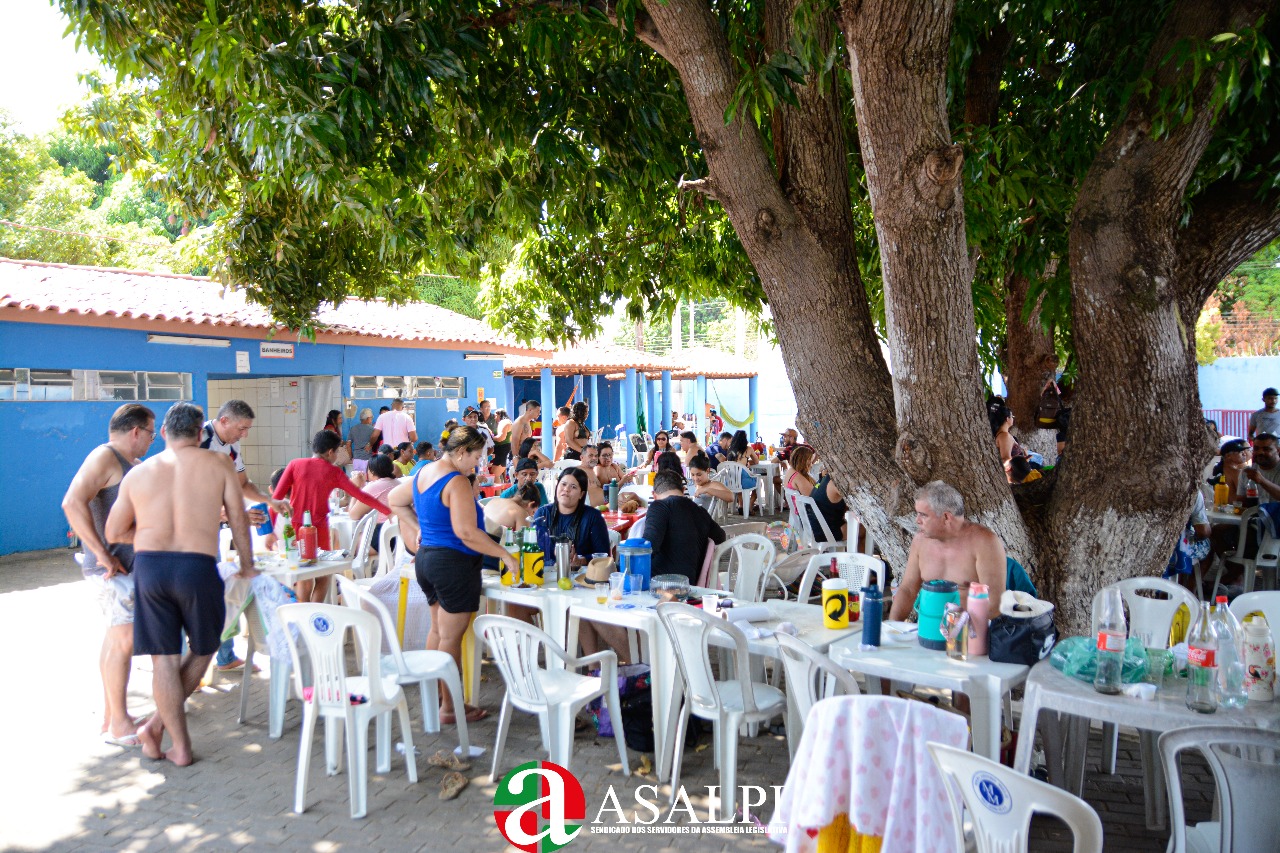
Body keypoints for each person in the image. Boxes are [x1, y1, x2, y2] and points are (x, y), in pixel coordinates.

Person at [104, 402, 256, 766]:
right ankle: (159, 731)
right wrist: (248, 565)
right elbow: (238, 518)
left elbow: (113, 531)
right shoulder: (218, 464)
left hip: (150, 569)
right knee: (204, 649)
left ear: (162, 433)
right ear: (200, 431)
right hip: (196, 567)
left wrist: (152, 534)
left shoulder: (138, 474)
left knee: (163, 660)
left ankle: (171, 739)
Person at [389, 425, 517, 724]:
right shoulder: (456, 481)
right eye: (476, 456)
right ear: (461, 452)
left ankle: (435, 695)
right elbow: (466, 533)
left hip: (427, 561)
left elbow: (396, 500)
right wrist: (504, 554)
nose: (478, 463)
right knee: (451, 638)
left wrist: (419, 528)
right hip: (453, 565)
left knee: (437, 631)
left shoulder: (424, 472)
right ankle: (450, 707)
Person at [62, 403, 156, 745]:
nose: (151, 440)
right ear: (135, 431)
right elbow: (72, 502)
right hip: (109, 571)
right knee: (124, 642)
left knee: (115, 641)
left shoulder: (130, 463)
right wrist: (101, 554)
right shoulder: (104, 457)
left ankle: (112, 717)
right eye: (149, 432)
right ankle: (119, 726)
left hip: (123, 568)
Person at [200, 400, 287, 672]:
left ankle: (224, 655)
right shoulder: (200, 441)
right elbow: (191, 496)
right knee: (199, 594)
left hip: (212, 528)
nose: (244, 434)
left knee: (219, 590)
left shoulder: (232, 445)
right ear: (224, 421)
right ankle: (184, 662)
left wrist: (270, 501)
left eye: (247, 429)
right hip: (193, 531)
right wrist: (232, 514)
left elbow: (243, 484)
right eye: (242, 428)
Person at [272, 430, 392, 602]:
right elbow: (361, 496)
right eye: (337, 451)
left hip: (297, 528)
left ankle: (302, 618)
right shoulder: (333, 471)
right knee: (324, 576)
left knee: (304, 578)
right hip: (319, 530)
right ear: (330, 452)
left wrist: (270, 530)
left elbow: (275, 499)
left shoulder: (295, 464)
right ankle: (315, 616)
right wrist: (387, 510)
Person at [888, 480, 1007, 621]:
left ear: (946, 517)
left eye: (923, 515)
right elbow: (908, 589)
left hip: (969, 630)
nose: (917, 521)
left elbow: (995, 603)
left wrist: (953, 629)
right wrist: (891, 627)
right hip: (928, 625)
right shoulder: (920, 541)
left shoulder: (984, 542)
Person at [644, 470, 728, 583]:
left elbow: (648, 547)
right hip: (691, 583)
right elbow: (721, 536)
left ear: (654, 495)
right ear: (683, 491)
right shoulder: (700, 512)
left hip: (661, 585)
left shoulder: (658, 507)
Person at [532, 467, 611, 569]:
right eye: (563, 484)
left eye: (573, 487)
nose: (566, 489)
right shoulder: (542, 514)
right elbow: (535, 550)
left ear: (581, 494)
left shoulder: (593, 517)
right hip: (546, 574)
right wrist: (555, 561)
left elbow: (603, 555)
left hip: (582, 576)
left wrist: (581, 560)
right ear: (557, 486)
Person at [348, 454, 399, 552]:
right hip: (397, 536)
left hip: (381, 536)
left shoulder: (374, 486)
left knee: (345, 540)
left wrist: (356, 489)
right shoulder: (397, 482)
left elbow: (353, 515)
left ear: (371, 471)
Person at [988, 400, 1027, 482]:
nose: (1013, 419)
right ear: (1007, 419)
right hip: (1013, 477)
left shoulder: (1002, 434)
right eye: (1012, 417)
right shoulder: (1004, 436)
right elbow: (1006, 459)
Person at [807, 471, 849, 543]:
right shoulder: (837, 483)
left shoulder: (821, 480)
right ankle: (859, 554)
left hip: (810, 527)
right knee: (862, 530)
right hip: (823, 532)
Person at [508, 400, 541, 467]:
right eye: (537, 411)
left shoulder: (527, 422)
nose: (539, 413)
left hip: (526, 457)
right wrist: (516, 459)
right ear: (530, 410)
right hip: (519, 457)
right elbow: (514, 442)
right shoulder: (519, 422)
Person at [348, 408, 377, 473]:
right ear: (368, 418)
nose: (371, 420)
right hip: (368, 459)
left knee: (357, 480)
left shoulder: (353, 429)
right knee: (367, 480)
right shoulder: (372, 429)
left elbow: (348, 445)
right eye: (371, 418)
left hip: (356, 459)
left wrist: (351, 457)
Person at [491, 407, 513, 473]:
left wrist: (489, 438)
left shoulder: (503, 422)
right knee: (496, 474)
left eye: (495, 416)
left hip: (502, 450)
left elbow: (501, 438)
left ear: (499, 414)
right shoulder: (508, 422)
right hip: (504, 449)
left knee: (494, 475)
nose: (494, 418)